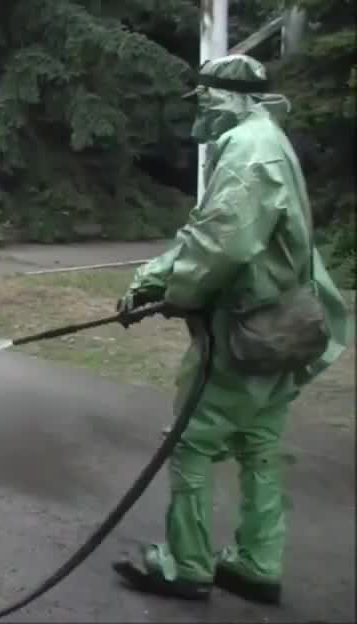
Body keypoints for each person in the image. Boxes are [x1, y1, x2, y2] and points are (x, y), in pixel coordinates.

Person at [111, 54, 352, 604]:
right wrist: (159, 276)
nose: (200, 114)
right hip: (284, 323)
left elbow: (223, 242)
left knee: (192, 442)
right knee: (259, 443)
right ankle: (257, 562)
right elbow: (218, 233)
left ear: (227, 99)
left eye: (205, 102)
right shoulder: (268, 139)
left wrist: (170, 291)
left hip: (247, 328)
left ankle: (187, 564)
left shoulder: (247, 152)